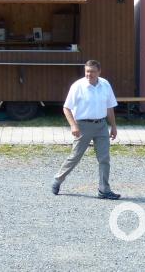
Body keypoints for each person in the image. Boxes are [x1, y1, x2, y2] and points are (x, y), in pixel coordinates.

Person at [52, 60, 120, 199]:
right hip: (83, 126)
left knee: (104, 159)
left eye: (92, 71)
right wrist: (73, 125)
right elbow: (66, 108)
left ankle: (104, 189)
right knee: (75, 157)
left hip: (101, 125)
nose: (89, 74)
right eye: (87, 71)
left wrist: (113, 126)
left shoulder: (105, 85)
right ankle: (58, 180)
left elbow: (109, 107)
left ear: (99, 72)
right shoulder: (78, 86)